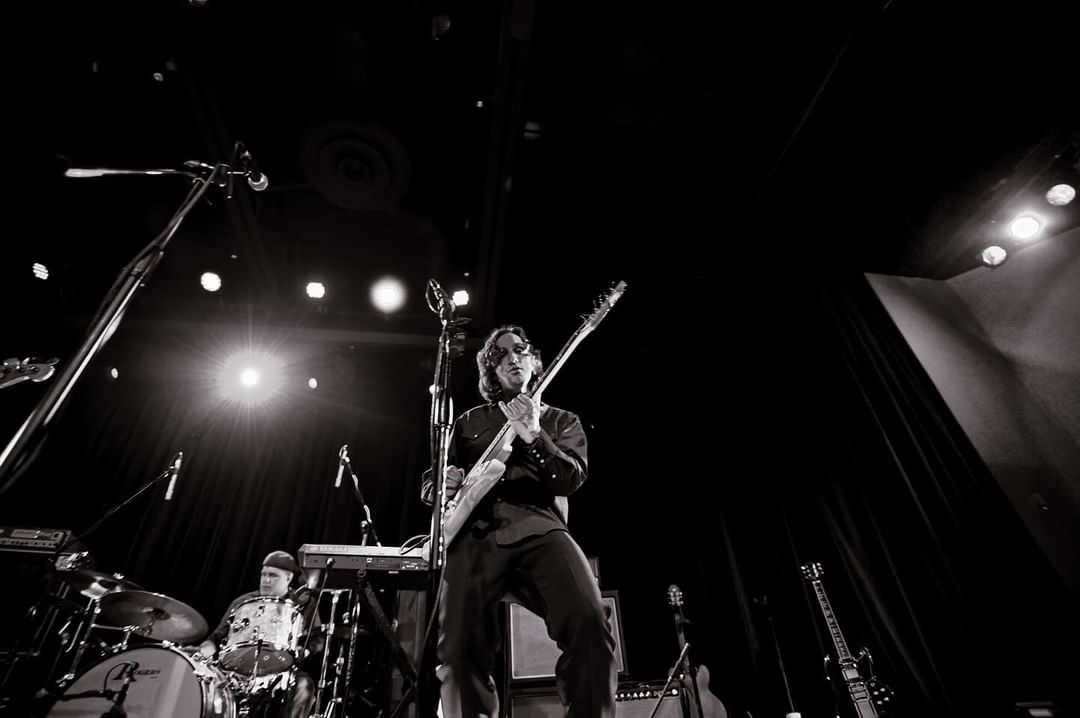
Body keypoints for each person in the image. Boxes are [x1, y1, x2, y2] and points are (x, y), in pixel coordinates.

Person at [421, 324, 616, 718]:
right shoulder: (469, 422)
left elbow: (570, 479)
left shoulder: (561, 420)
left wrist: (535, 434)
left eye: (520, 350)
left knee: (590, 622)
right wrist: (445, 482)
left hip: (539, 525)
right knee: (459, 651)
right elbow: (431, 484)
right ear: (490, 371)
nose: (512, 358)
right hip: (474, 534)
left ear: (534, 360)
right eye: (501, 354)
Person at [198, 551, 320, 718]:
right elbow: (217, 637)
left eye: (273, 576)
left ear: (288, 578)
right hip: (236, 668)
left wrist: (304, 650)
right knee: (207, 683)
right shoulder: (243, 601)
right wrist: (202, 653)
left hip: (282, 668)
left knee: (304, 686)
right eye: (264, 575)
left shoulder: (303, 603)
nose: (266, 580)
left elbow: (317, 638)